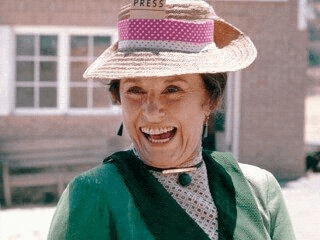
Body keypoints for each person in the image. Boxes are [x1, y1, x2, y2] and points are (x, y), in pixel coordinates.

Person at [48, 0, 296, 239]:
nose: (152, 111)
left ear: (210, 99)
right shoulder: (94, 194)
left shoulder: (259, 191)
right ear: (118, 97)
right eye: (135, 90)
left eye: (173, 89)